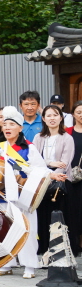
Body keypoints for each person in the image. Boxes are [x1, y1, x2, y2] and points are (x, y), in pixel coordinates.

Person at [0, 106, 49, 279]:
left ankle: (29, 265)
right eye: (5, 124)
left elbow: (40, 170)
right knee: (4, 229)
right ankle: (6, 263)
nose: (7, 127)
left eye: (12, 124)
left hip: (24, 195)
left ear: (20, 128)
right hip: (3, 194)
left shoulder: (29, 148)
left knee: (27, 229)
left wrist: (21, 176)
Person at [32, 105, 73, 255]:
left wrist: (54, 174)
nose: (52, 118)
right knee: (42, 219)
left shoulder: (67, 138)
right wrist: (50, 164)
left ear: (61, 117)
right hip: (42, 184)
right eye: (48, 115)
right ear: (43, 118)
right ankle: (43, 251)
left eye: (55, 115)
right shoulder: (38, 138)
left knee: (58, 219)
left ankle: (60, 253)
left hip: (60, 185)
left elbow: (65, 163)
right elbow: (35, 161)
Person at [64, 101, 82, 257]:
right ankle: (74, 246)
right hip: (72, 177)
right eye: (79, 112)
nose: (81, 115)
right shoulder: (67, 132)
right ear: (73, 115)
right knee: (74, 211)